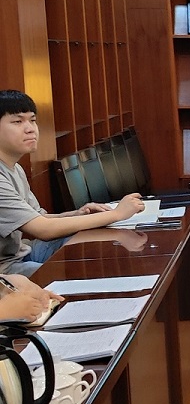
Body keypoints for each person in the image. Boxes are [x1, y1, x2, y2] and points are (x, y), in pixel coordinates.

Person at [0, 90, 146, 274]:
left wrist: (78, 214)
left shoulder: (15, 168)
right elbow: (43, 230)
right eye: (18, 121)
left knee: (96, 246)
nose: (30, 128)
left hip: (24, 252)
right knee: (69, 275)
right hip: (6, 269)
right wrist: (117, 214)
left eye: (33, 120)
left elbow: (39, 217)